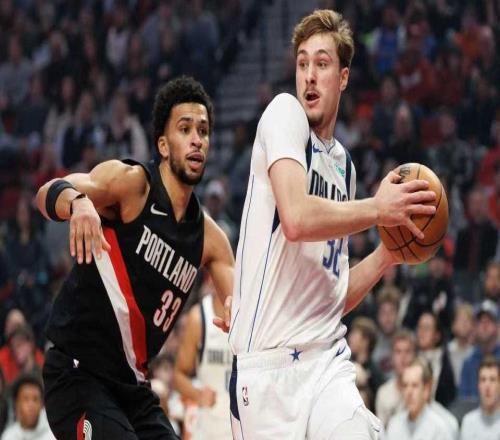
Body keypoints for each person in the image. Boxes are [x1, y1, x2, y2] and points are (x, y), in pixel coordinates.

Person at [227, 9, 436, 440]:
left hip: (326, 362)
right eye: (302, 63)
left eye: (321, 64)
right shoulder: (283, 114)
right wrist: (377, 209)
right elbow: (296, 219)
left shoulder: (345, 167)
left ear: (342, 78)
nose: (308, 75)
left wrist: (387, 255)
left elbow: (332, 298)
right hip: (266, 373)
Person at [35, 76, 234, 440]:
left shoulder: (211, 240)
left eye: (203, 131)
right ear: (163, 145)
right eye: (185, 129)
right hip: (77, 373)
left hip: (132, 388)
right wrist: (79, 204)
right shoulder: (133, 185)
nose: (197, 140)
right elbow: (47, 192)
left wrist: (242, 313)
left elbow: (244, 308)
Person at [174, 286, 232, 439]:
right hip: (208, 429)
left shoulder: (251, 314)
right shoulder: (198, 317)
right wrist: (198, 395)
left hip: (244, 427)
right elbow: (178, 375)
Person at [385, 358, 454, 440]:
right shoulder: (394, 424)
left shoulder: (440, 428)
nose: (409, 392)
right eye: (405, 385)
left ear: (426, 390)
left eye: (414, 385)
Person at [375, 330, 416, 428]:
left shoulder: (421, 389)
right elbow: (381, 432)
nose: (403, 357)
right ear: (392, 358)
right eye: (398, 352)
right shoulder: (383, 393)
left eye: (407, 351)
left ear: (414, 356)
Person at [0, 373, 55, 440]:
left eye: (35, 399)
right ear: (16, 404)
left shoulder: (53, 435)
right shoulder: (8, 437)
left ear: (41, 404)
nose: (31, 405)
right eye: (26, 399)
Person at [460, 356, 500, 440]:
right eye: (483, 380)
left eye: (492, 380)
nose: (487, 386)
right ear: (478, 385)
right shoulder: (468, 422)